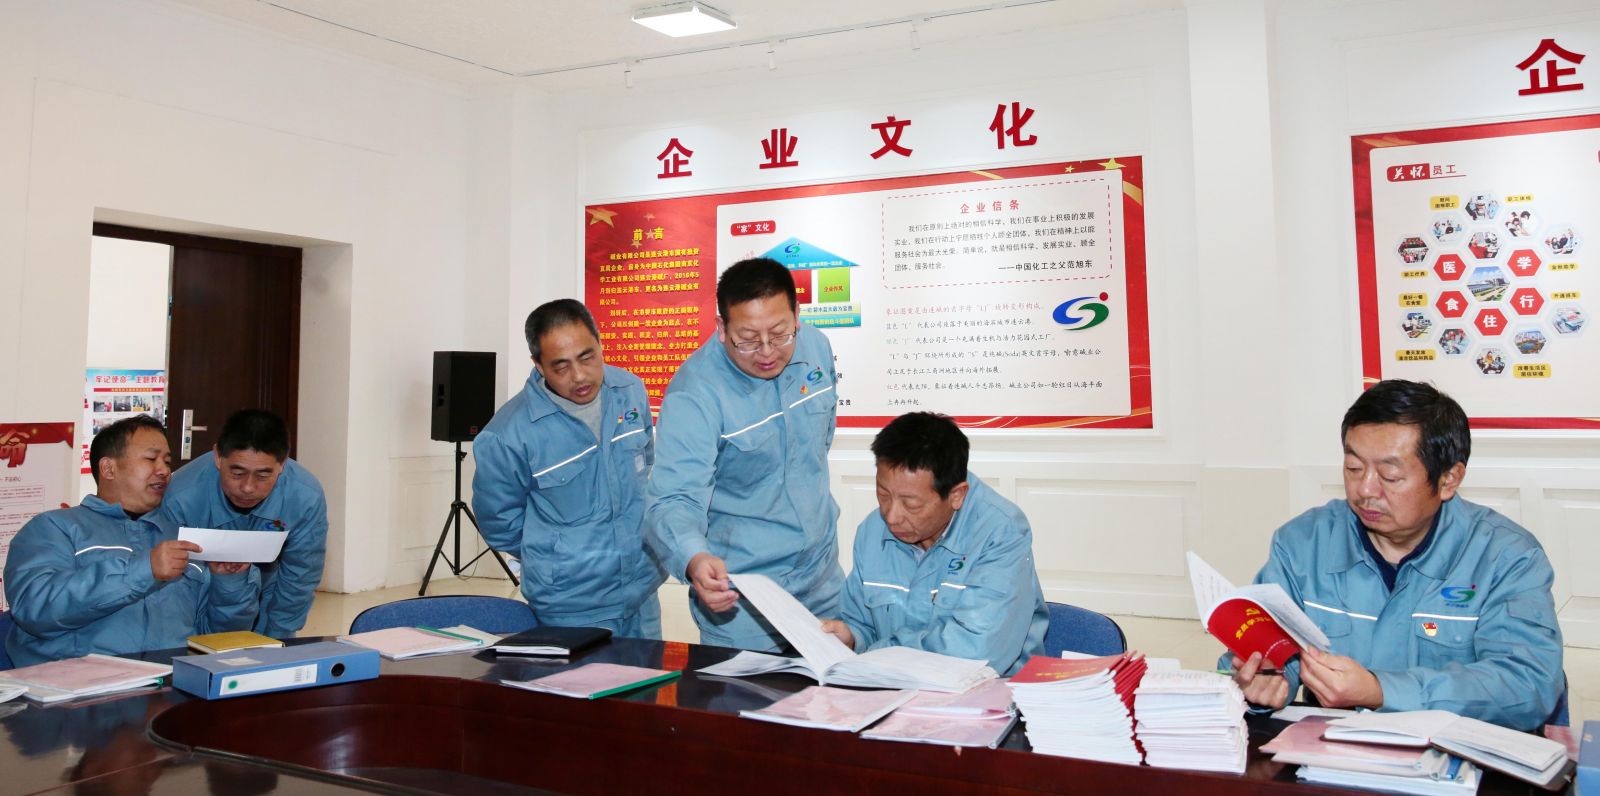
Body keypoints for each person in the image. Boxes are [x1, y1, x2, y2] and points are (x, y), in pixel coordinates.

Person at [1227, 380, 1563, 730]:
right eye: (1353, 468)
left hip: (1456, 753)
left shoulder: (1506, 557)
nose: (1365, 489)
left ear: (1448, 479)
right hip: (1332, 750)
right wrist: (1263, 681)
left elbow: (1528, 684)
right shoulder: (1302, 544)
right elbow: (1256, 652)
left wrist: (1380, 691)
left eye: (1390, 475)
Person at [647, 257, 842, 651]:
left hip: (823, 583)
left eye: (780, 333)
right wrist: (694, 558)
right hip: (744, 599)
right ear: (722, 328)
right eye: (748, 339)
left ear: (797, 316)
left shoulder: (816, 348)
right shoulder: (695, 394)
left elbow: (819, 445)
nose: (767, 351)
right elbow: (672, 498)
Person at [472, 299, 664, 636]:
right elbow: (499, 523)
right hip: (571, 605)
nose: (579, 376)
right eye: (560, 367)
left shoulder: (629, 390)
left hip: (642, 590)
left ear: (600, 344)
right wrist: (558, 554)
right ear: (538, 364)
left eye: (587, 357)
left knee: (648, 672)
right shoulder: (508, 435)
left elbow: (645, 464)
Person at [4, 416, 257, 667]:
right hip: (78, 685)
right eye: (151, 459)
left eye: (167, 461)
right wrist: (145, 570)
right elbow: (35, 610)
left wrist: (229, 585)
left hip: (173, 683)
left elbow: (216, 639)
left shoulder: (182, 539)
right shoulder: (54, 528)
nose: (164, 471)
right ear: (108, 469)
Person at [821, 413, 1047, 675]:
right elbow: (861, 622)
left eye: (911, 504)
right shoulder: (872, 531)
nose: (891, 516)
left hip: (992, 690)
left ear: (956, 495)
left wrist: (878, 654)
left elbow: (976, 653)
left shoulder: (1000, 533)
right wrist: (852, 637)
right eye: (883, 495)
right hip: (892, 687)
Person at [154, 409, 326, 638]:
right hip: (204, 589)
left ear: (282, 464)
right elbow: (175, 587)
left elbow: (300, 576)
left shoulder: (305, 497)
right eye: (237, 473)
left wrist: (278, 639)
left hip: (270, 583)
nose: (247, 488)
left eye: (263, 476)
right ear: (218, 457)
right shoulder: (181, 497)